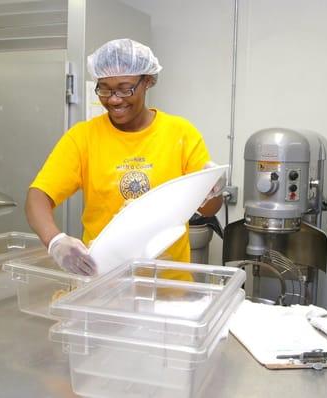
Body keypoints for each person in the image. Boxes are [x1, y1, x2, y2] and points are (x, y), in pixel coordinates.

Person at [25, 38, 224, 276]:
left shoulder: (180, 133)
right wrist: (55, 241)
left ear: (148, 81)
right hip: (104, 282)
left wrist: (212, 187)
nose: (114, 99)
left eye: (124, 88)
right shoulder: (83, 137)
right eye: (104, 88)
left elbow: (210, 209)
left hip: (170, 285)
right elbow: (37, 197)